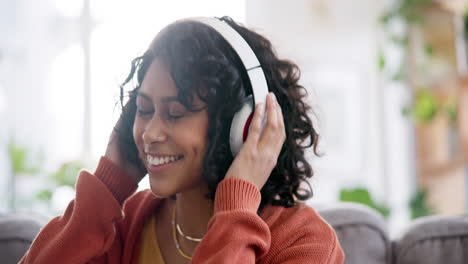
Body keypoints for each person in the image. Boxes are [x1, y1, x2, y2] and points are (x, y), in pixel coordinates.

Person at [20, 16, 344, 263]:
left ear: (243, 125)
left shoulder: (304, 241)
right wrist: (106, 190)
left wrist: (234, 210)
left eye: (175, 113)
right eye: (144, 109)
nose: (149, 133)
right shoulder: (125, 223)